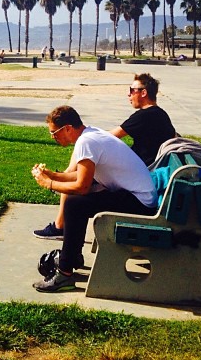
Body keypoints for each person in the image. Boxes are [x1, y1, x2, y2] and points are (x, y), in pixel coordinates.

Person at [34, 73, 175, 240]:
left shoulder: (146, 114)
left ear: (143, 92)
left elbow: (111, 136)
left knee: (75, 191)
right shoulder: (160, 114)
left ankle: (60, 227)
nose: (128, 94)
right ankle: (61, 228)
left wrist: (50, 182)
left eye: (132, 90)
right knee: (76, 175)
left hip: (137, 179)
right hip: (140, 174)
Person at [31, 105, 156, 292]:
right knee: (77, 203)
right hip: (137, 197)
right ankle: (71, 258)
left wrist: (48, 184)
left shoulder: (86, 142)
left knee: (75, 204)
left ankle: (64, 273)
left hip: (140, 203)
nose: (52, 137)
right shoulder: (91, 134)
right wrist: (52, 175)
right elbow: (80, 176)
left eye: (54, 132)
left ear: (67, 128)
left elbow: (82, 186)